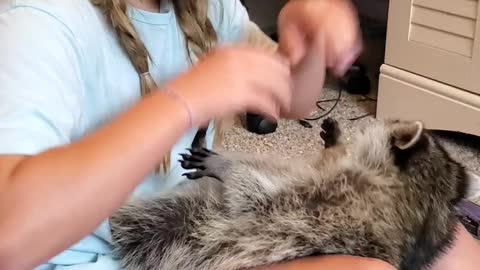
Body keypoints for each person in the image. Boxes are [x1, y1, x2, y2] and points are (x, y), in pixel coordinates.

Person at [0, 0, 478, 270]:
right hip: (101, 256)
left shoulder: (206, 7)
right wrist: (185, 100)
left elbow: (292, 100)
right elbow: (11, 237)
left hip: (197, 224)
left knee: (446, 239)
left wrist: (304, 41)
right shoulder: (43, 21)